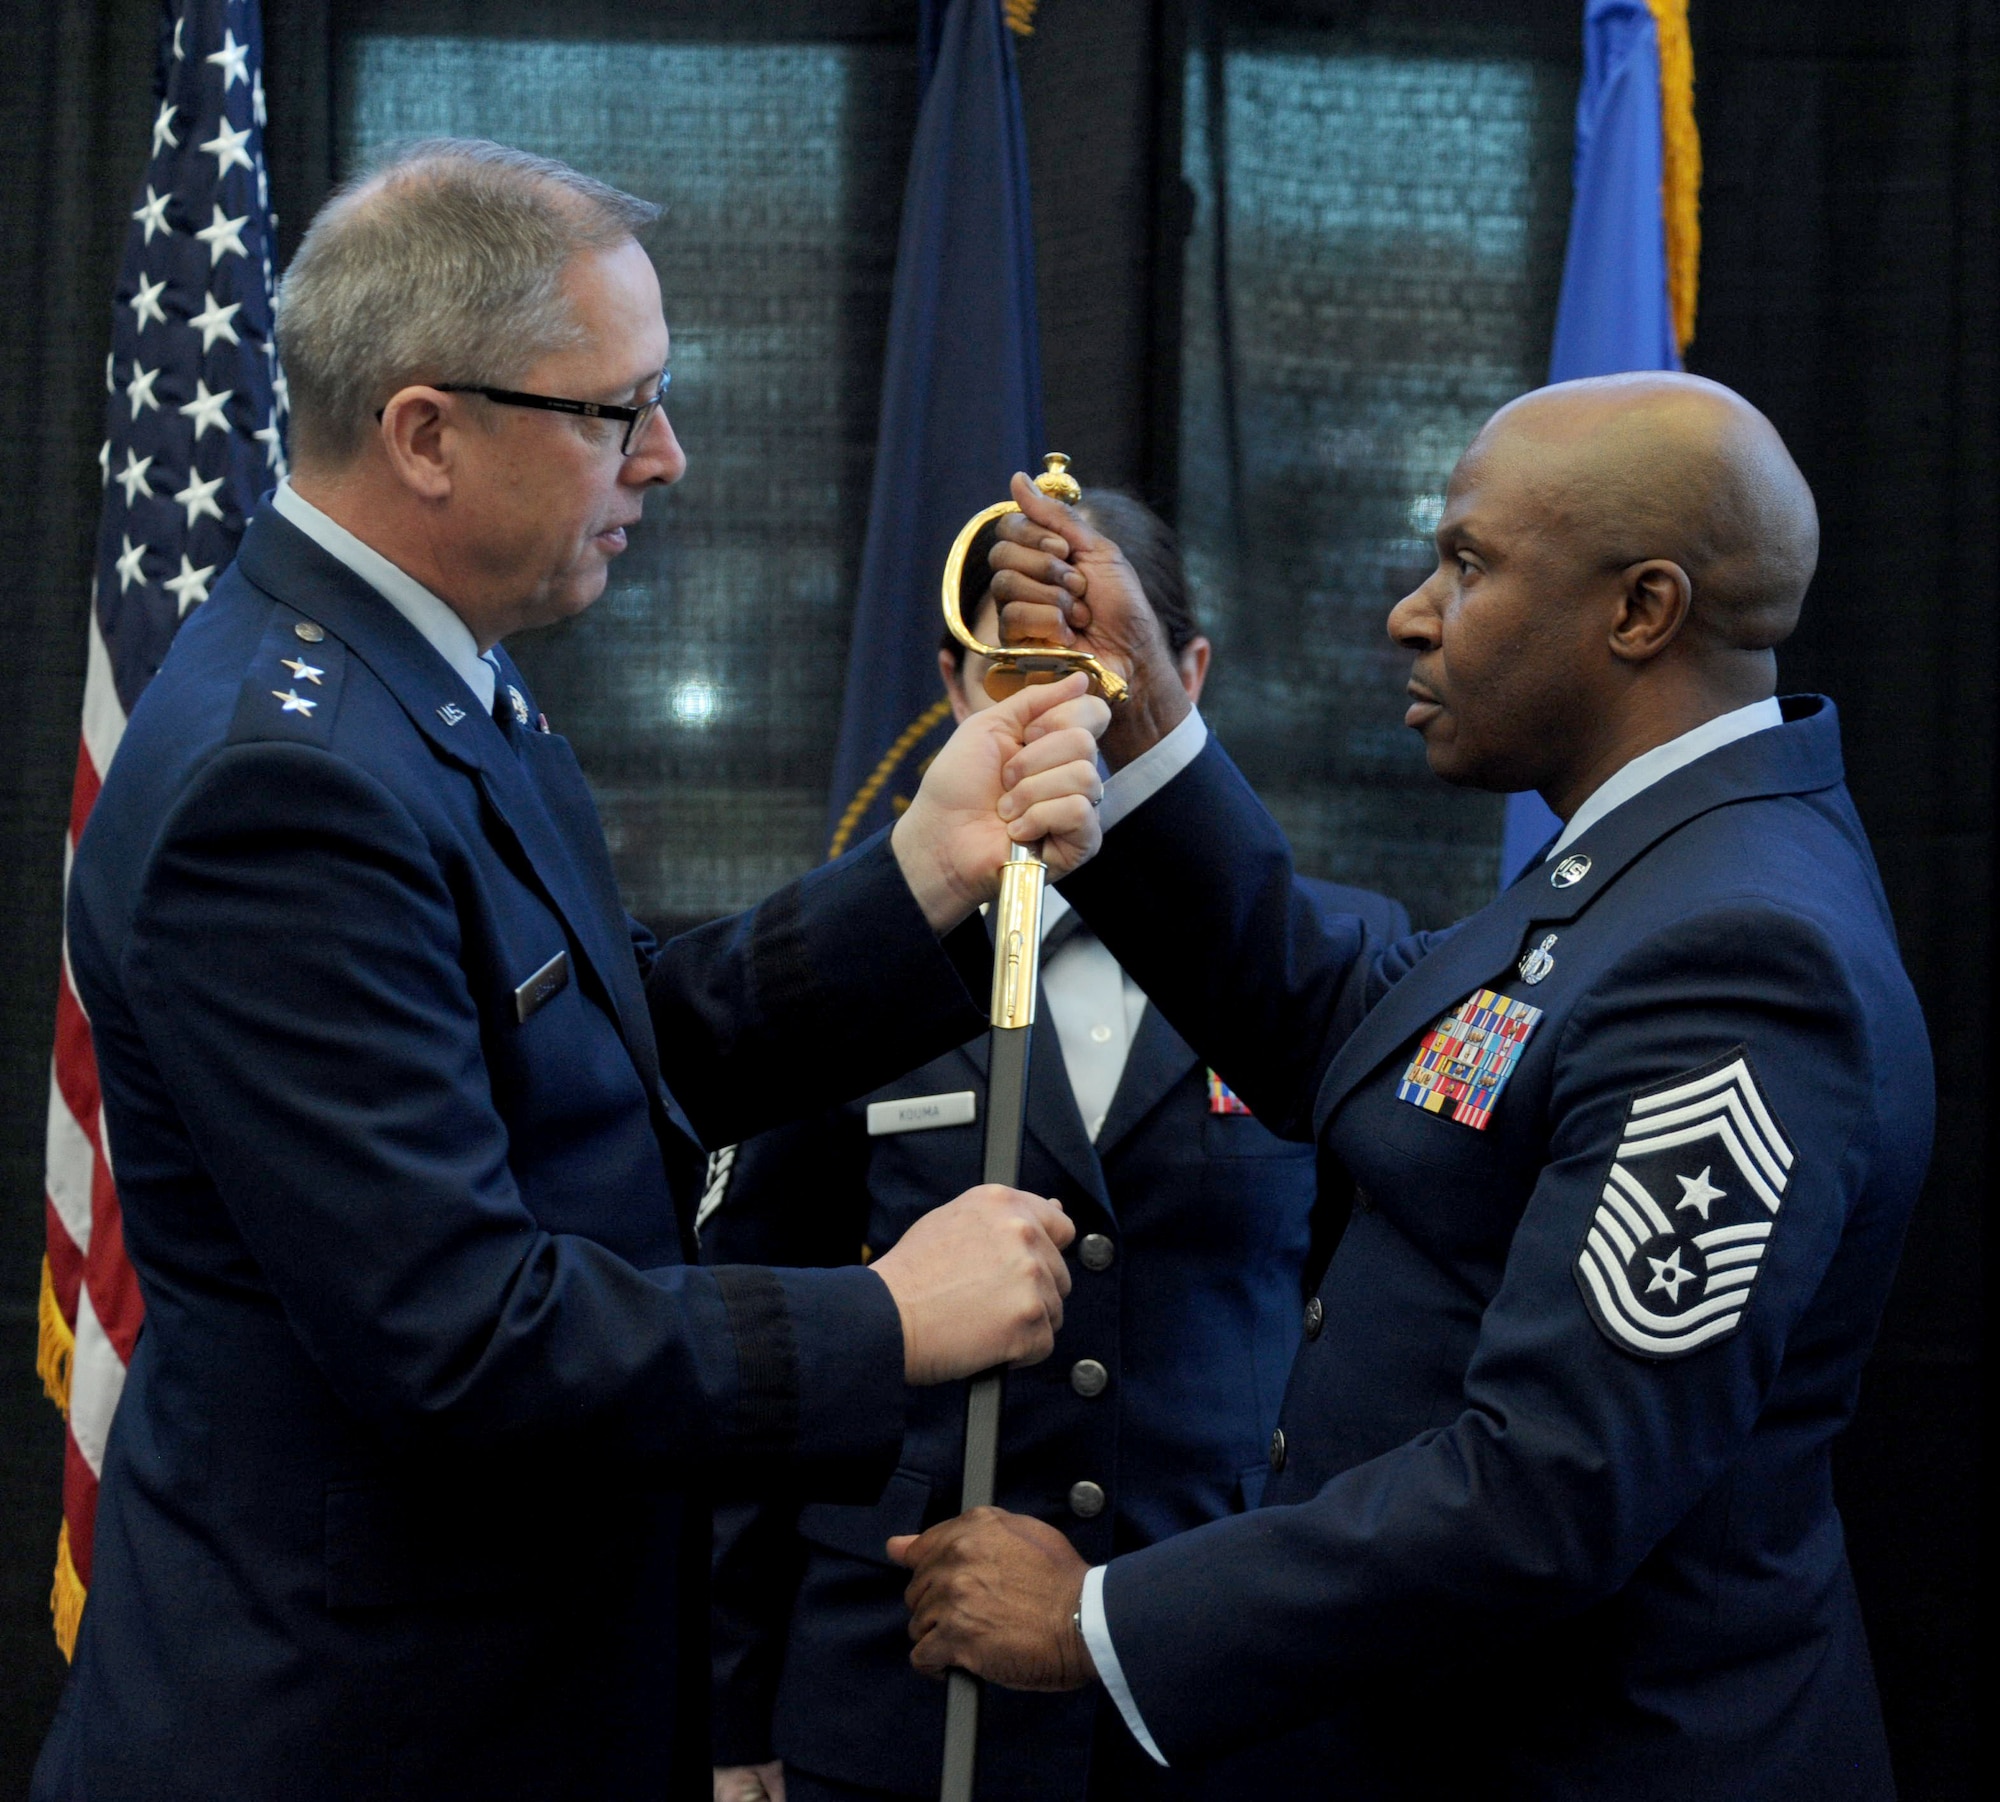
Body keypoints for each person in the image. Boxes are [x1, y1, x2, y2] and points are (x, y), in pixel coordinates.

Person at [34, 140, 1114, 1802]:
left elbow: (604, 1055)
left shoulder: (430, 680)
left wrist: (918, 877)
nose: (665, 458)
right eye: (619, 409)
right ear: (426, 432)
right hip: (361, 1728)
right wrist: (886, 1317)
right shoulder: (289, 781)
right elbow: (462, 1335)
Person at [892, 372, 1933, 1801]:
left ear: (1640, 612)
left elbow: (1550, 1490)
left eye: (1468, 562)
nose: (1412, 612)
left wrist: (1097, 1619)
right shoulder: (1642, 869)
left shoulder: (1741, 949)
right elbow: (1368, 1033)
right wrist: (1138, 722)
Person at [703, 492, 1410, 1802]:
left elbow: (1371, 1328)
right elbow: (758, 1343)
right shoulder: (843, 961)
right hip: (902, 1688)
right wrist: (732, 1699)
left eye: (1083, 672)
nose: (1038, 710)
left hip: (1212, 1672)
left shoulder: (1318, 972)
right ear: (953, 686)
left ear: (1182, 678)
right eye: (1004, 669)